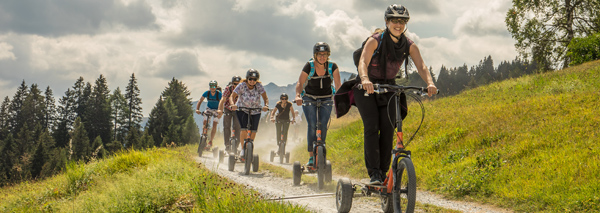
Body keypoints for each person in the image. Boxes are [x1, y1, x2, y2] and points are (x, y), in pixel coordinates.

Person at [355, 4, 437, 185]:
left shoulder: (409, 45)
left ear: (405, 23)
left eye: (402, 21)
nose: (398, 24)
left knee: (387, 129)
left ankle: (383, 173)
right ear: (387, 21)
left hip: (389, 88)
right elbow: (363, 61)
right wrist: (364, 79)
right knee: (371, 127)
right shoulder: (375, 40)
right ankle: (374, 174)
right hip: (366, 88)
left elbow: (422, 66)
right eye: (394, 20)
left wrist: (430, 83)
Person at [294, 42, 341, 167]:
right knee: (312, 124)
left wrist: (339, 99)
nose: (322, 57)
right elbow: (300, 83)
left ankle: (321, 151)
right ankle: (311, 156)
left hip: (326, 98)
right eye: (319, 54)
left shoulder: (333, 67)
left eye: (325, 54)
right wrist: (298, 96)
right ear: (315, 55)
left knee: (323, 124)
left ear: (328, 55)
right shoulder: (309, 66)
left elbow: (338, 85)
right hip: (309, 98)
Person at [229, 69, 269, 158]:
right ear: (247, 78)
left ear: (257, 80)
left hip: (256, 110)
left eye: (254, 79)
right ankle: (243, 149)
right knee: (243, 129)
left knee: (254, 130)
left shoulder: (259, 86)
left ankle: (250, 145)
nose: (252, 81)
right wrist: (232, 104)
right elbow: (232, 96)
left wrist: (266, 105)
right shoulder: (241, 85)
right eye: (250, 79)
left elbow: (265, 98)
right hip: (242, 109)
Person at [217, 76, 242, 153]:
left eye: (238, 84)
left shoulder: (243, 90)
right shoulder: (228, 89)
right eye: (235, 84)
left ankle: (236, 145)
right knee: (226, 127)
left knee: (238, 127)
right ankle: (227, 145)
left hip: (238, 109)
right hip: (228, 109)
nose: (236, 85)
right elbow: (222, 100)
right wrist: (220, 110)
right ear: (232, 83)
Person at [195, 80, 222, 148]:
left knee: (214, 124)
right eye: (211, 86)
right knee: (205, 121)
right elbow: (200, 100)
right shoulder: (207, 93)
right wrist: (197, 109)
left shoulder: (219, 94)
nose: (212, 88)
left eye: (214, 86)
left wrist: (220, 112)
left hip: (217, 110)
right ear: (209, 87)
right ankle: (204, 134)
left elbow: (222, 103)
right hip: (209, 109)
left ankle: (210, 141)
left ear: (216, 87)